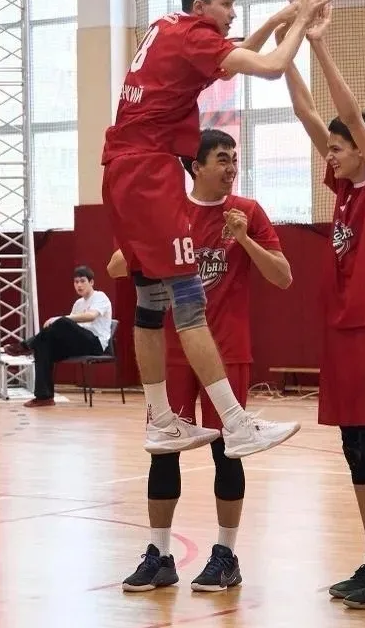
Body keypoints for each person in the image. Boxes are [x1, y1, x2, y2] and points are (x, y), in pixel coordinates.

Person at [101, 0, 331, 460]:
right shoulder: (195, 38)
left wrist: (282, 15)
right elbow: (270, 66)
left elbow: (233, 59)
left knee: (149, 300)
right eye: (227, 3)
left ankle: (161, 420)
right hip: (150, 172)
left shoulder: (169, 28)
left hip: (121, 170)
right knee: (189, 300)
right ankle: (236, 423)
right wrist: (301, 21)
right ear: (200, 7)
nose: (232, 13)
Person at [277, 0, 365, 609]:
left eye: (341, 147)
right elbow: (308, 113)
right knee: (353, 446)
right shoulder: (343, 189)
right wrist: (287, 48)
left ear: (363, 148)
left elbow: (342, 113)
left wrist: (320, 45)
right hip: (338, 331)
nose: (330, 154)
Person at [108, 129, 292, 592]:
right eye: (222, 158)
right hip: (172, 353)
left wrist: (244, 239)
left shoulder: (247, 212)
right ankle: (159, 554)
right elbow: (114, 266)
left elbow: (283, 277)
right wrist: (150, 238)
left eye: (234, 158)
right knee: (163, 449)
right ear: (196, 167)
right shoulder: (171, 214)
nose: (232, 167)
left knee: (228, 451)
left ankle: (225, 555)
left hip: (226, 351)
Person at [5, 266, 113, 408]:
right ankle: (44, 397)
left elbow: (91, 316)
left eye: (82, 281)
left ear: (91, 282)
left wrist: (59, 319)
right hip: (79, 343)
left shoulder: (100, 297)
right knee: (43, 346)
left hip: (95, 343)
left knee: (62, 322)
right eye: (76, 282)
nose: (79, 285)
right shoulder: (78, 303)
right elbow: (69, 329)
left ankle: (25, 346)